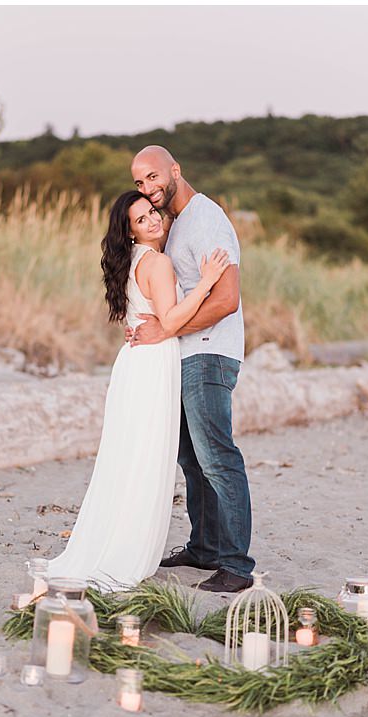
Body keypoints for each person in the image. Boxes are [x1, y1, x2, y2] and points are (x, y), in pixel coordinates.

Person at [47, 191, 230, 588]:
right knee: (146, 459)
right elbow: (171, 317)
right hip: (152, 363)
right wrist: (206, 284)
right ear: (129, 232)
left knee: (127, 457)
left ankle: (116, 538)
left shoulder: (131, 262)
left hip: (132, 363)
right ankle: (128, 549)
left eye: (152, 213)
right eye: (141, 220)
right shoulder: (158, 262)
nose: (153, 221)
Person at [129, 145, 256, 593]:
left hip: (209, 354)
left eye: (152, 177)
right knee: (192, 459)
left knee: (218, 457)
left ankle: (237, 565)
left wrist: (164, 331)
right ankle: (204, 547)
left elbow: (226, 299)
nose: (148, 187)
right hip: (185, 355)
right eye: (140, 183)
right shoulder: (178, 225)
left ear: (174, 170)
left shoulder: (206, 219)